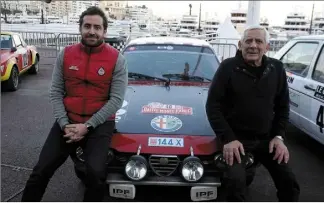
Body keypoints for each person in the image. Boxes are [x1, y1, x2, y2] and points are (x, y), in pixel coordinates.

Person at [21, 6, 128, 202]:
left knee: (95, 175)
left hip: (99, 125)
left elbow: (116, 100)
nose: (92, 31)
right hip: (68, 122)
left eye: (97, 27)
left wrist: (87, 126)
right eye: (87, 26)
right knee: (40, 171)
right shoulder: (66, 54)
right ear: (80, 28)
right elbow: (55, 92)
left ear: (104, 31)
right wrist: (64, 124)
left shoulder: (117, 59)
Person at [205, 25, 300, 201]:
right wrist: (228, 139)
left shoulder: (277, 68)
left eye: (259, 41)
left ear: (267, 47)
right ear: (240, 45)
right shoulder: (227, 68)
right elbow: (213, 106)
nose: (253, 45)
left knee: (289, 183)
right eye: (248, 41)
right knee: (235, 184)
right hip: (236, 140)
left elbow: (282, 107)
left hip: (267, 139)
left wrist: (279, 137)